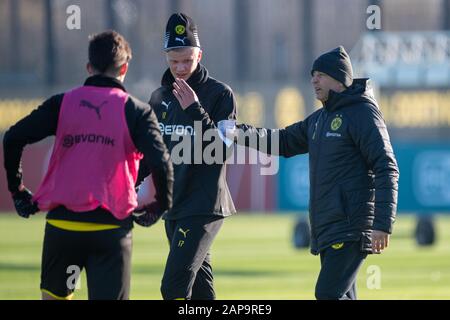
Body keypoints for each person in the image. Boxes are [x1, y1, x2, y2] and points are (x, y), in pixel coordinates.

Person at [216, 46, 399, 300]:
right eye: (313, 74)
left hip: (350, 227)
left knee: (326, 294)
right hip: (328, 228)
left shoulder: (363, 113)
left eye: (320, 74)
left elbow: (386, 167)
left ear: (340, 79)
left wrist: (382, 225)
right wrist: (238, 132)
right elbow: (280, 141)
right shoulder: (319, 119)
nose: (313, 80)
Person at [3, 30, 173, 300]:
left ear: (89, 67)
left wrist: (18, 190)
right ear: (125, 68)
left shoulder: (63, 103)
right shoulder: (137, 111)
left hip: (63, 228)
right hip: (111, 231)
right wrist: (160, 205)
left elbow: (13, 138)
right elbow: (162, 162)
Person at [143, 13, 237, 300]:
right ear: (166, 58)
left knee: (172, 287)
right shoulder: (159, 97)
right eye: (174, 62)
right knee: (200, 290)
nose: (181, 68)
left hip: (204, 205)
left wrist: (195, 110)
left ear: (200, 54)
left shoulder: (221, 94)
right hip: (173, 206)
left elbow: (222, 150)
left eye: (187, 60)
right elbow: (151, 153)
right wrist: (135, 189)